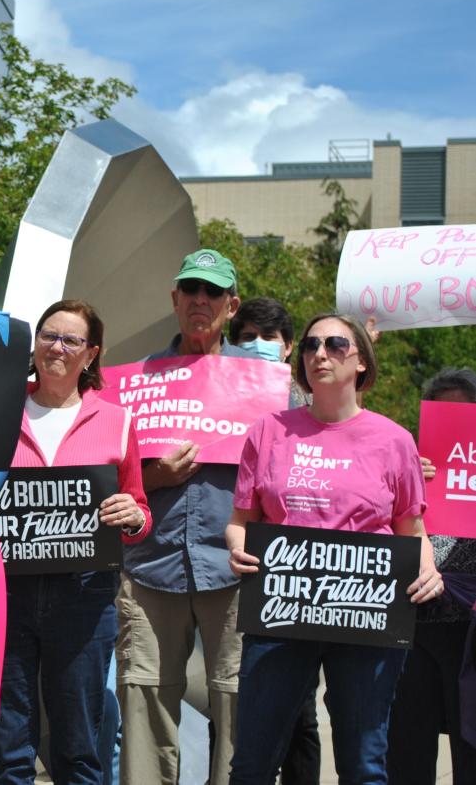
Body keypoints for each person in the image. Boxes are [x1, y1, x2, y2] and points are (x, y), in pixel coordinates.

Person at [226, 313, 441, 784]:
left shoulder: (395, 440)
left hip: (370, 614)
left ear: (361, 360)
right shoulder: (268, 431)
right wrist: (238, 549)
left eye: (336, 344)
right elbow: (241, 522)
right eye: (310, 345)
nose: (319, 354)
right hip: (282, 610)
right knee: (252, 763)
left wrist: (428, 569)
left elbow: (412, 527)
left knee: (364, 764)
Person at [0, 300, 151, 785]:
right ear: (34, 343)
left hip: (84, 594)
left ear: (91, 354)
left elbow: (140, 509)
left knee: (79, 746)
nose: (57, 347)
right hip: (6, 590)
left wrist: (132, 516)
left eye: (71, 340)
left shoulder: (116, 421)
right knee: (8, 742)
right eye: (48, 335)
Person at [116, 248, 248, 785]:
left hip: (234, 568)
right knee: (144, 697)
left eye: (213, 292)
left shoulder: (262, 386)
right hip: (151, 565)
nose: (201, 300)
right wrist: (154, 479)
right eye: (191, 290)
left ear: (231, 305)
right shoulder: (134, 384)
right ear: (175, 300)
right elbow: (105, 480)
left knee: (238, 701)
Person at [228, 298, 319, 785]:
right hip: (228, 560)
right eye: (246, 338)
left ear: (288, 350)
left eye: (270, 339)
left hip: (295, 575)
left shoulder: (311, 408)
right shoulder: (211, 397)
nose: (258, 347)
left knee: (300, 709)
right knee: (249, 705)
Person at [387, 368, 476, 784]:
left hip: (469, 634)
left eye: (464, 413)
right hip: (414, 627)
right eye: (445, 414)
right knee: (408, 748)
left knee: (469, 746)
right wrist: (407, 487)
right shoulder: (407, 466)